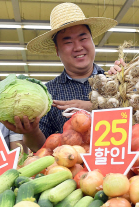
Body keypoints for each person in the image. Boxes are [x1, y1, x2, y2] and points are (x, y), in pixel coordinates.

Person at [25, 3, 120, 150]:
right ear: (57, 50)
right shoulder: (46, 94)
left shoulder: (114, 82)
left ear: (92, 41)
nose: (78, 47)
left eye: (83, 38)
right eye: (68, 42)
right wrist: (31, 131)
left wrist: (93, 108)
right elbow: (40, 149)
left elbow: (138, 126)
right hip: (67, 168)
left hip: (117, 168)